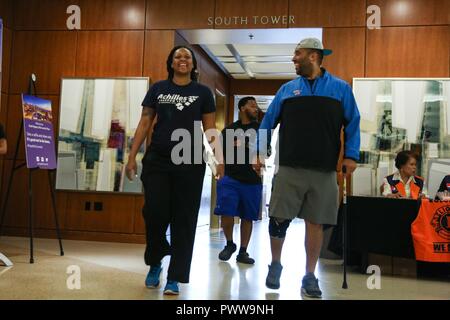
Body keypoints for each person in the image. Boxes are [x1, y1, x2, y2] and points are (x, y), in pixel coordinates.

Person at [252, 38, 360, 298]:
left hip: (324, 170)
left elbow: (353, 123)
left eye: (297, 54)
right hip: (289, 167)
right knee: (278, 219)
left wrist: (351, 156)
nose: (293, 58)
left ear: (313, 56)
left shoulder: (340, 89)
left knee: (315, 223)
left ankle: (309, 275)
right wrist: (259, 151)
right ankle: (275, 264)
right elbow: (268, 121)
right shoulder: (288, 89)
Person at [125, 45, 223, 296]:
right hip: (158, 159)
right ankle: (156, 261)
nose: (182, 60)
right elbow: (145, 121)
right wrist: (132, 156)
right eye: (178, 56)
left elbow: (210, 128)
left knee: (184, 219)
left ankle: (174, 277)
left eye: (187, 57)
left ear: (192, 65)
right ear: (171, 62)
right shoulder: (158, 88)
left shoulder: (203, 92)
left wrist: (219, 158)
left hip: (190, 160)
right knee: (154, 212)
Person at [214, 96, 262, 265]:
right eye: (252, 105)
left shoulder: (261, 129)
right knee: (226, 211)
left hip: (252, 180)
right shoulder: (228, 130)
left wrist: (249, 148)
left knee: (247, 217)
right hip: (230, 178)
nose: (256, 108)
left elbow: (266, 151)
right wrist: (220, 169)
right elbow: (220, 153)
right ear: (242, 108)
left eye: (256, 106)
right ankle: (229, 243)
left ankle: (243, 251)